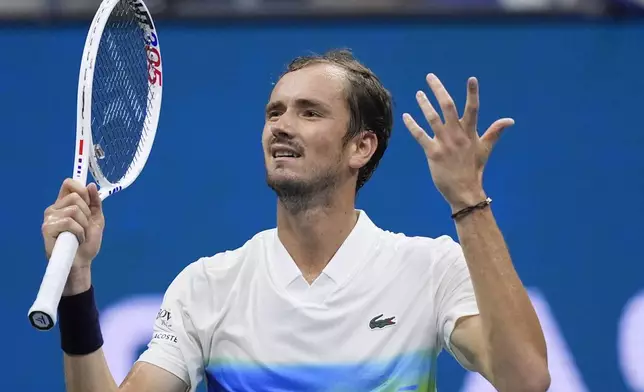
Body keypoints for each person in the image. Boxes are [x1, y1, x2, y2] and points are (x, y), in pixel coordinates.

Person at [42, 49, 550, 392]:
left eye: (309, 112)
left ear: (361, 146)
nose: (281, 126)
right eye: (274, 112)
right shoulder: (208, 287)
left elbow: (525, 377)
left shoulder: (430, 270)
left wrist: (468, 200)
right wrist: (76, 285)